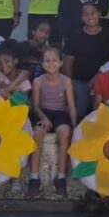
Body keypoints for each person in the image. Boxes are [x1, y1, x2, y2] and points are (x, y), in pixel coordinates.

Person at [29, 47, 77, 198]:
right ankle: (34, 178)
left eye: (54, 60)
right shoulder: (38, 81)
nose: (51, 64)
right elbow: (35, 106)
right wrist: (43, 117)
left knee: (64, 133)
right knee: (37, 133)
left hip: (60, 114)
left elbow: (71, 106)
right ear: (42, 64)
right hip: (43, 113)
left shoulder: (66, 81)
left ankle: (61, 177)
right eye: (47, 61)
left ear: (61, 62)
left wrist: (74, 126)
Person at [63, 3, 109, 119]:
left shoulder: (108, 36)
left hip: (102, 80)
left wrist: (99, 76)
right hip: (78, 81)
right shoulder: (75, 36)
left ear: (99, 14)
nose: (90, 16)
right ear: (81, 17)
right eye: (86, 14)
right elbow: (68, 62)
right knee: (80, 111)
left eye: (93, 13)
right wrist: (69, 84)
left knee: (100, 112)